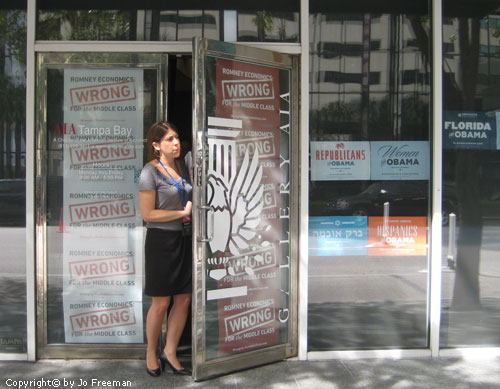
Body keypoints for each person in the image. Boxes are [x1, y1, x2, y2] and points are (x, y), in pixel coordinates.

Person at [138, 122, 193, 377]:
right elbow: (148, 214)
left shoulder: (182, 166)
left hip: (184, 239)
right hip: (161, 242)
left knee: (183, 298)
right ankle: (151, 351)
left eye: (177, 137)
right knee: (161, 302)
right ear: (156, 145)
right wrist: (181, 212)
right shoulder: (150, 172)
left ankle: (170, 352)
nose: (176, 142)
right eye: (170, 139)